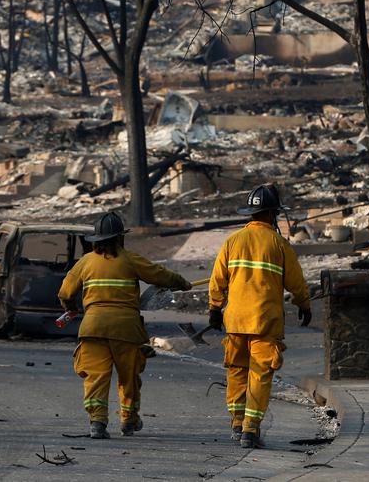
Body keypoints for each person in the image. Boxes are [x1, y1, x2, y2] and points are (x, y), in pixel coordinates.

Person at [59, 211, 191, 439]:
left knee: (96, 377)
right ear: (120, 238)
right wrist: (182, 282)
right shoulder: (130, 259)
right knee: (128, 377)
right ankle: (128, 420)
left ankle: (97, 423)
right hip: (127, 330)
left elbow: (65, 292)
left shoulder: (85, 263)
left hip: (93, 328)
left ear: (96, 240)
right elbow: (160, 275)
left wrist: (70, 308)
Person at [208, 184, 311, 449]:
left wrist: (214, 309)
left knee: (237, 372)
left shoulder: (233, 241)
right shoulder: (279, 244)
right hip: (265, 322)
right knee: (259, 375)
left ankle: (236, 422)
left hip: (236, 321)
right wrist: (304, 305)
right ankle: (250, 429)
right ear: (271, 214)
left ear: (252, 213)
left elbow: (217, 280)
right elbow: (296, 283)